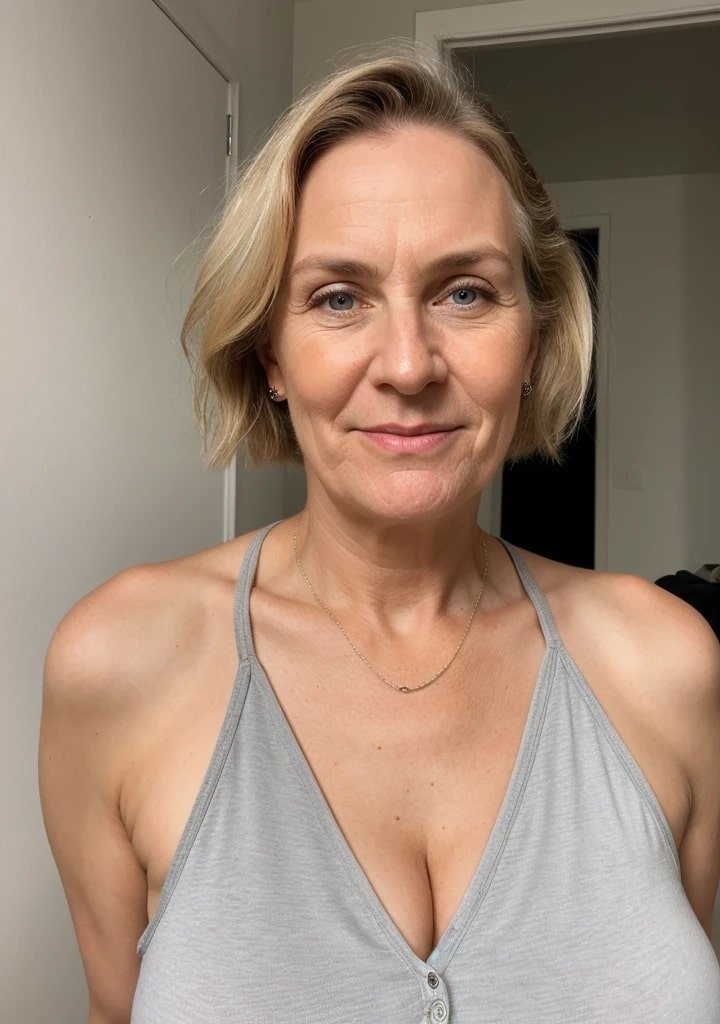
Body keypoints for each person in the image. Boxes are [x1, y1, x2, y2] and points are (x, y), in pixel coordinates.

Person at [39, 48, 720, 1024]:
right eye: (338, 297)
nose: (408, 364)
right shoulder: (118, 664)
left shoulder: (666, 664)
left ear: (533, 339)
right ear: (270, 355)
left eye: (466, 292)